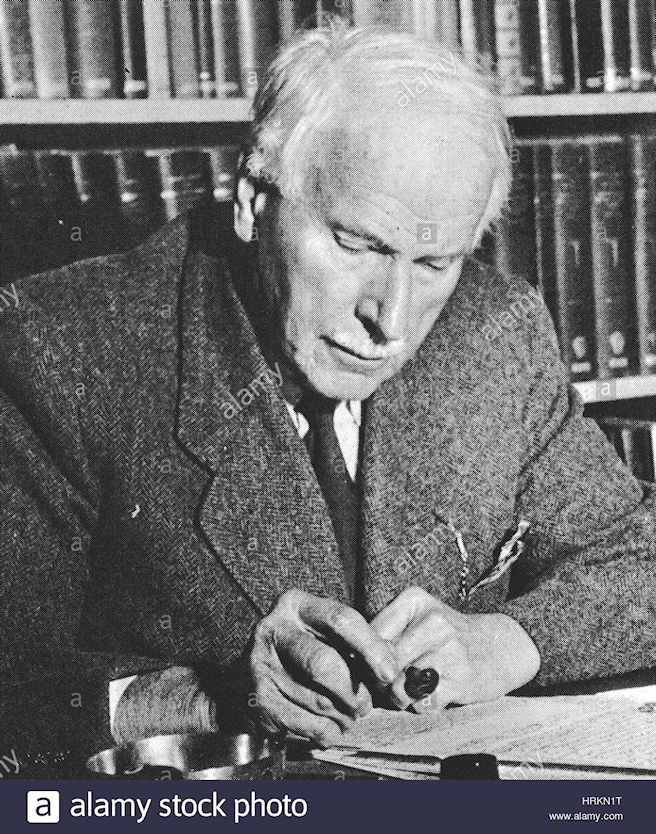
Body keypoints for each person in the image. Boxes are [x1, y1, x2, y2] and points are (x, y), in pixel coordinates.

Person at [2, 23, 656, 767]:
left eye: (436, 262)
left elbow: (642, 558)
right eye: (357, 245)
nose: (392, 319)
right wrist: (206, 696)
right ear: (253, 201)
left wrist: (511, 641)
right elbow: (14, 691)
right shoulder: (64, 351)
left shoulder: (494, 333)